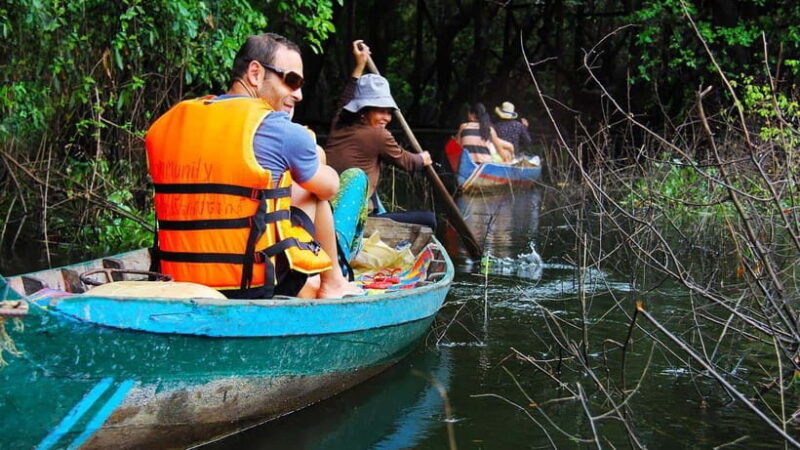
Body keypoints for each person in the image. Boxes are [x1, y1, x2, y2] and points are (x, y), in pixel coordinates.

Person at [145, 32, 358, 299]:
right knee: (314, 192)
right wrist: (316, 154)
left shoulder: (168, 124)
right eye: (291, 81)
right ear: (255, 73)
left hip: (175, 277)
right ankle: (333, 283)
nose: (299, 94)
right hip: (251, 284)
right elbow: (329, 188)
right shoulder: (283, 131)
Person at [325, 40, 435, 231]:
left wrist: (359, 65)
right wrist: (422, 159)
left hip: (328, 210)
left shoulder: (339, 122)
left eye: (389, 112)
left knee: (373, 197)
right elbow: (406, 161)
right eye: (380, 111)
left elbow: (346, 97)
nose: (387, 118)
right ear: (363, 111)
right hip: (351, 218)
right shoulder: (378, 134)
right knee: (430, 219)